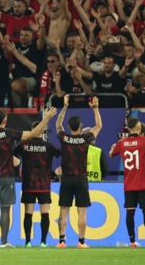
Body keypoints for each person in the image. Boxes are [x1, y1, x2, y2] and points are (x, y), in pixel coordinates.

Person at [0, 107, 56, 247]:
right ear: (5, 120)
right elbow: (34, 133)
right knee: (5, 209)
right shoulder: (9, 133)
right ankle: (4, 242)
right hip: (6, 176)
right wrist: (47, 118)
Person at [55, 97, 102, 248]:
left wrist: (64, 107)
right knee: (82, 211)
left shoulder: (64, 138)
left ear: (69, 126)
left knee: (64, 210)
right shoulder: (85, 139)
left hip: (67, 178)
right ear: (81, 126)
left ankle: (62, 241)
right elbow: (99, 126)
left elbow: (57, 124)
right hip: (81, 178)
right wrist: (95, 108)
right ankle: (81, 242)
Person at [14, 119, 61, 247]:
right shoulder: (48, 146)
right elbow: (62, 154)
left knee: (28, 213)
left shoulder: (24, 145)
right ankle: (43, 242)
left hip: (28, 184)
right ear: (43, 131)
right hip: (44, 184)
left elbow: (11, 153)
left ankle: (28, 241)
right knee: (44, 213)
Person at [109, 117, 145, 248]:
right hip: (143, 184)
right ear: (139, 128)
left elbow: (111, 154)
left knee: (130, 213)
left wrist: (113, 149)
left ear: (128, 128)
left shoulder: (122, 143)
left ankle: (132, 241)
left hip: (129, 185)